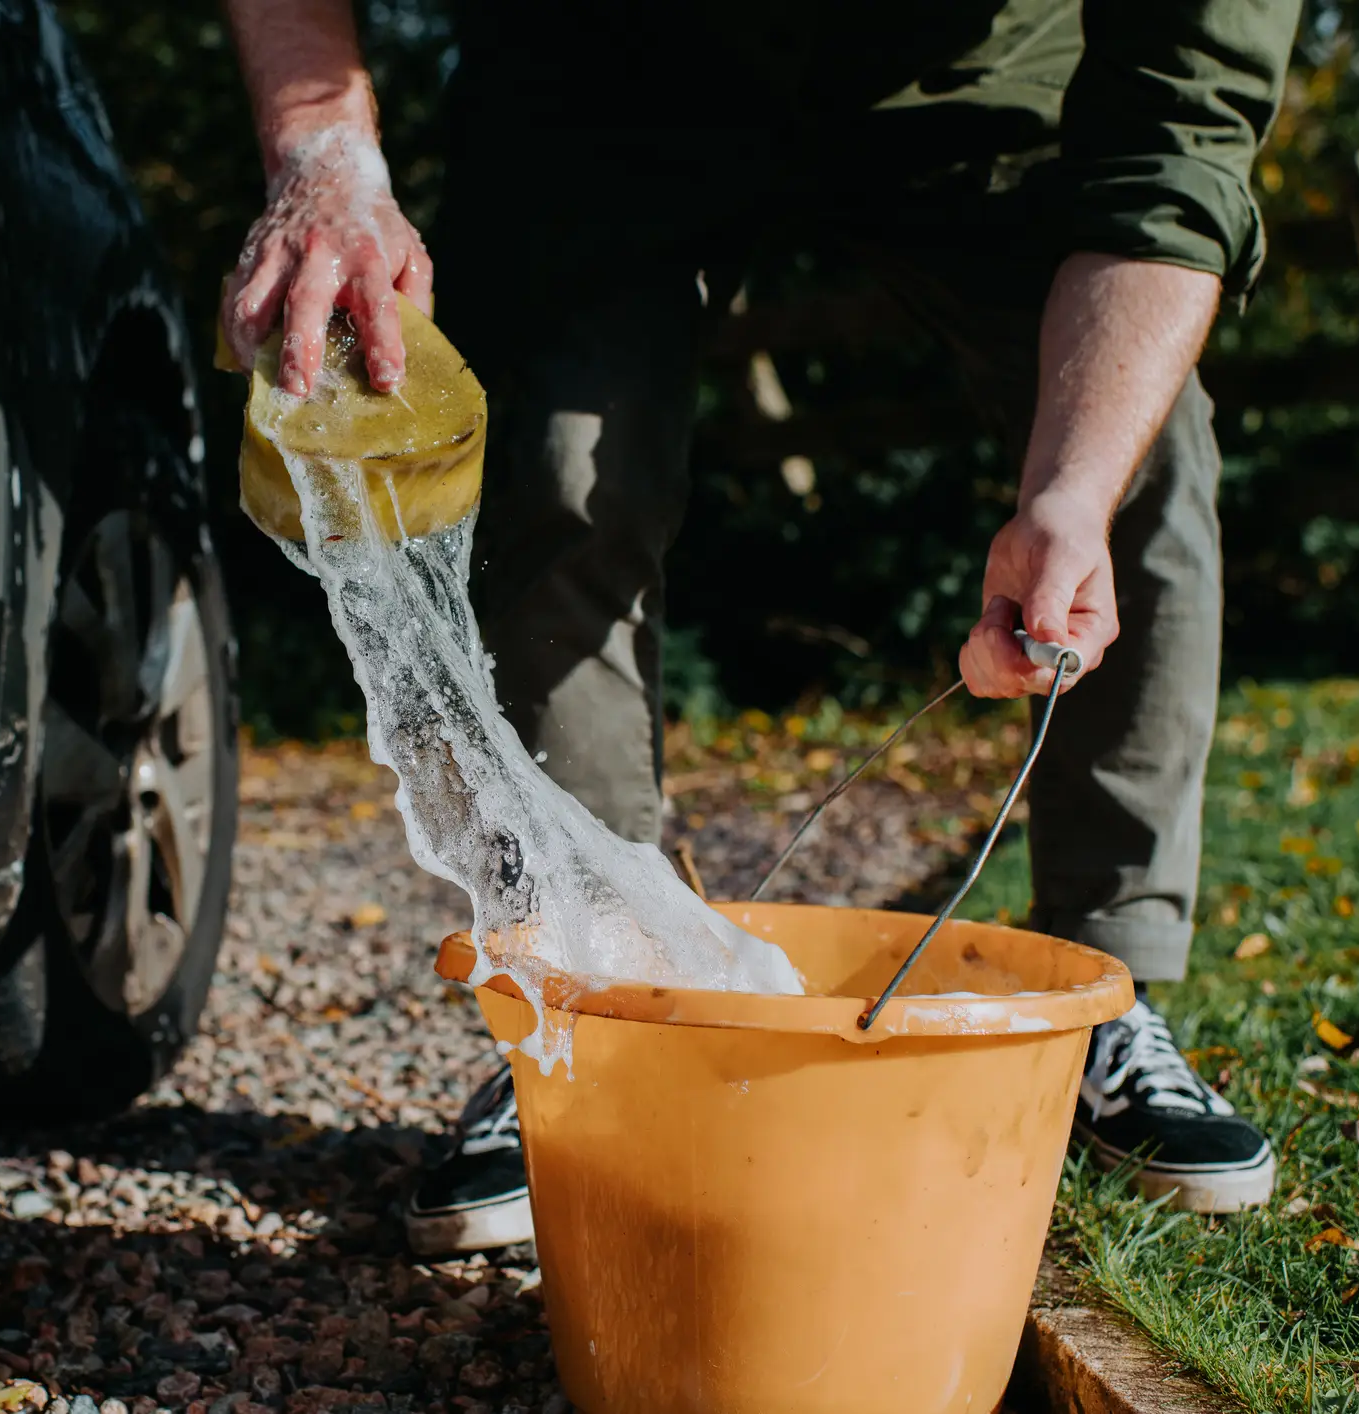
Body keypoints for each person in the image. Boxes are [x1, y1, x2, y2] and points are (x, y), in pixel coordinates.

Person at [222, 0, 1303, 1252]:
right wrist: (320, 146)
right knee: (566, 464)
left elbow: (1175, 145)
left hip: (978, 58)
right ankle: (588, 1005)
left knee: (1137, 448)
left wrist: (1071, 487)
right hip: (615, 58)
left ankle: (1104, 995)